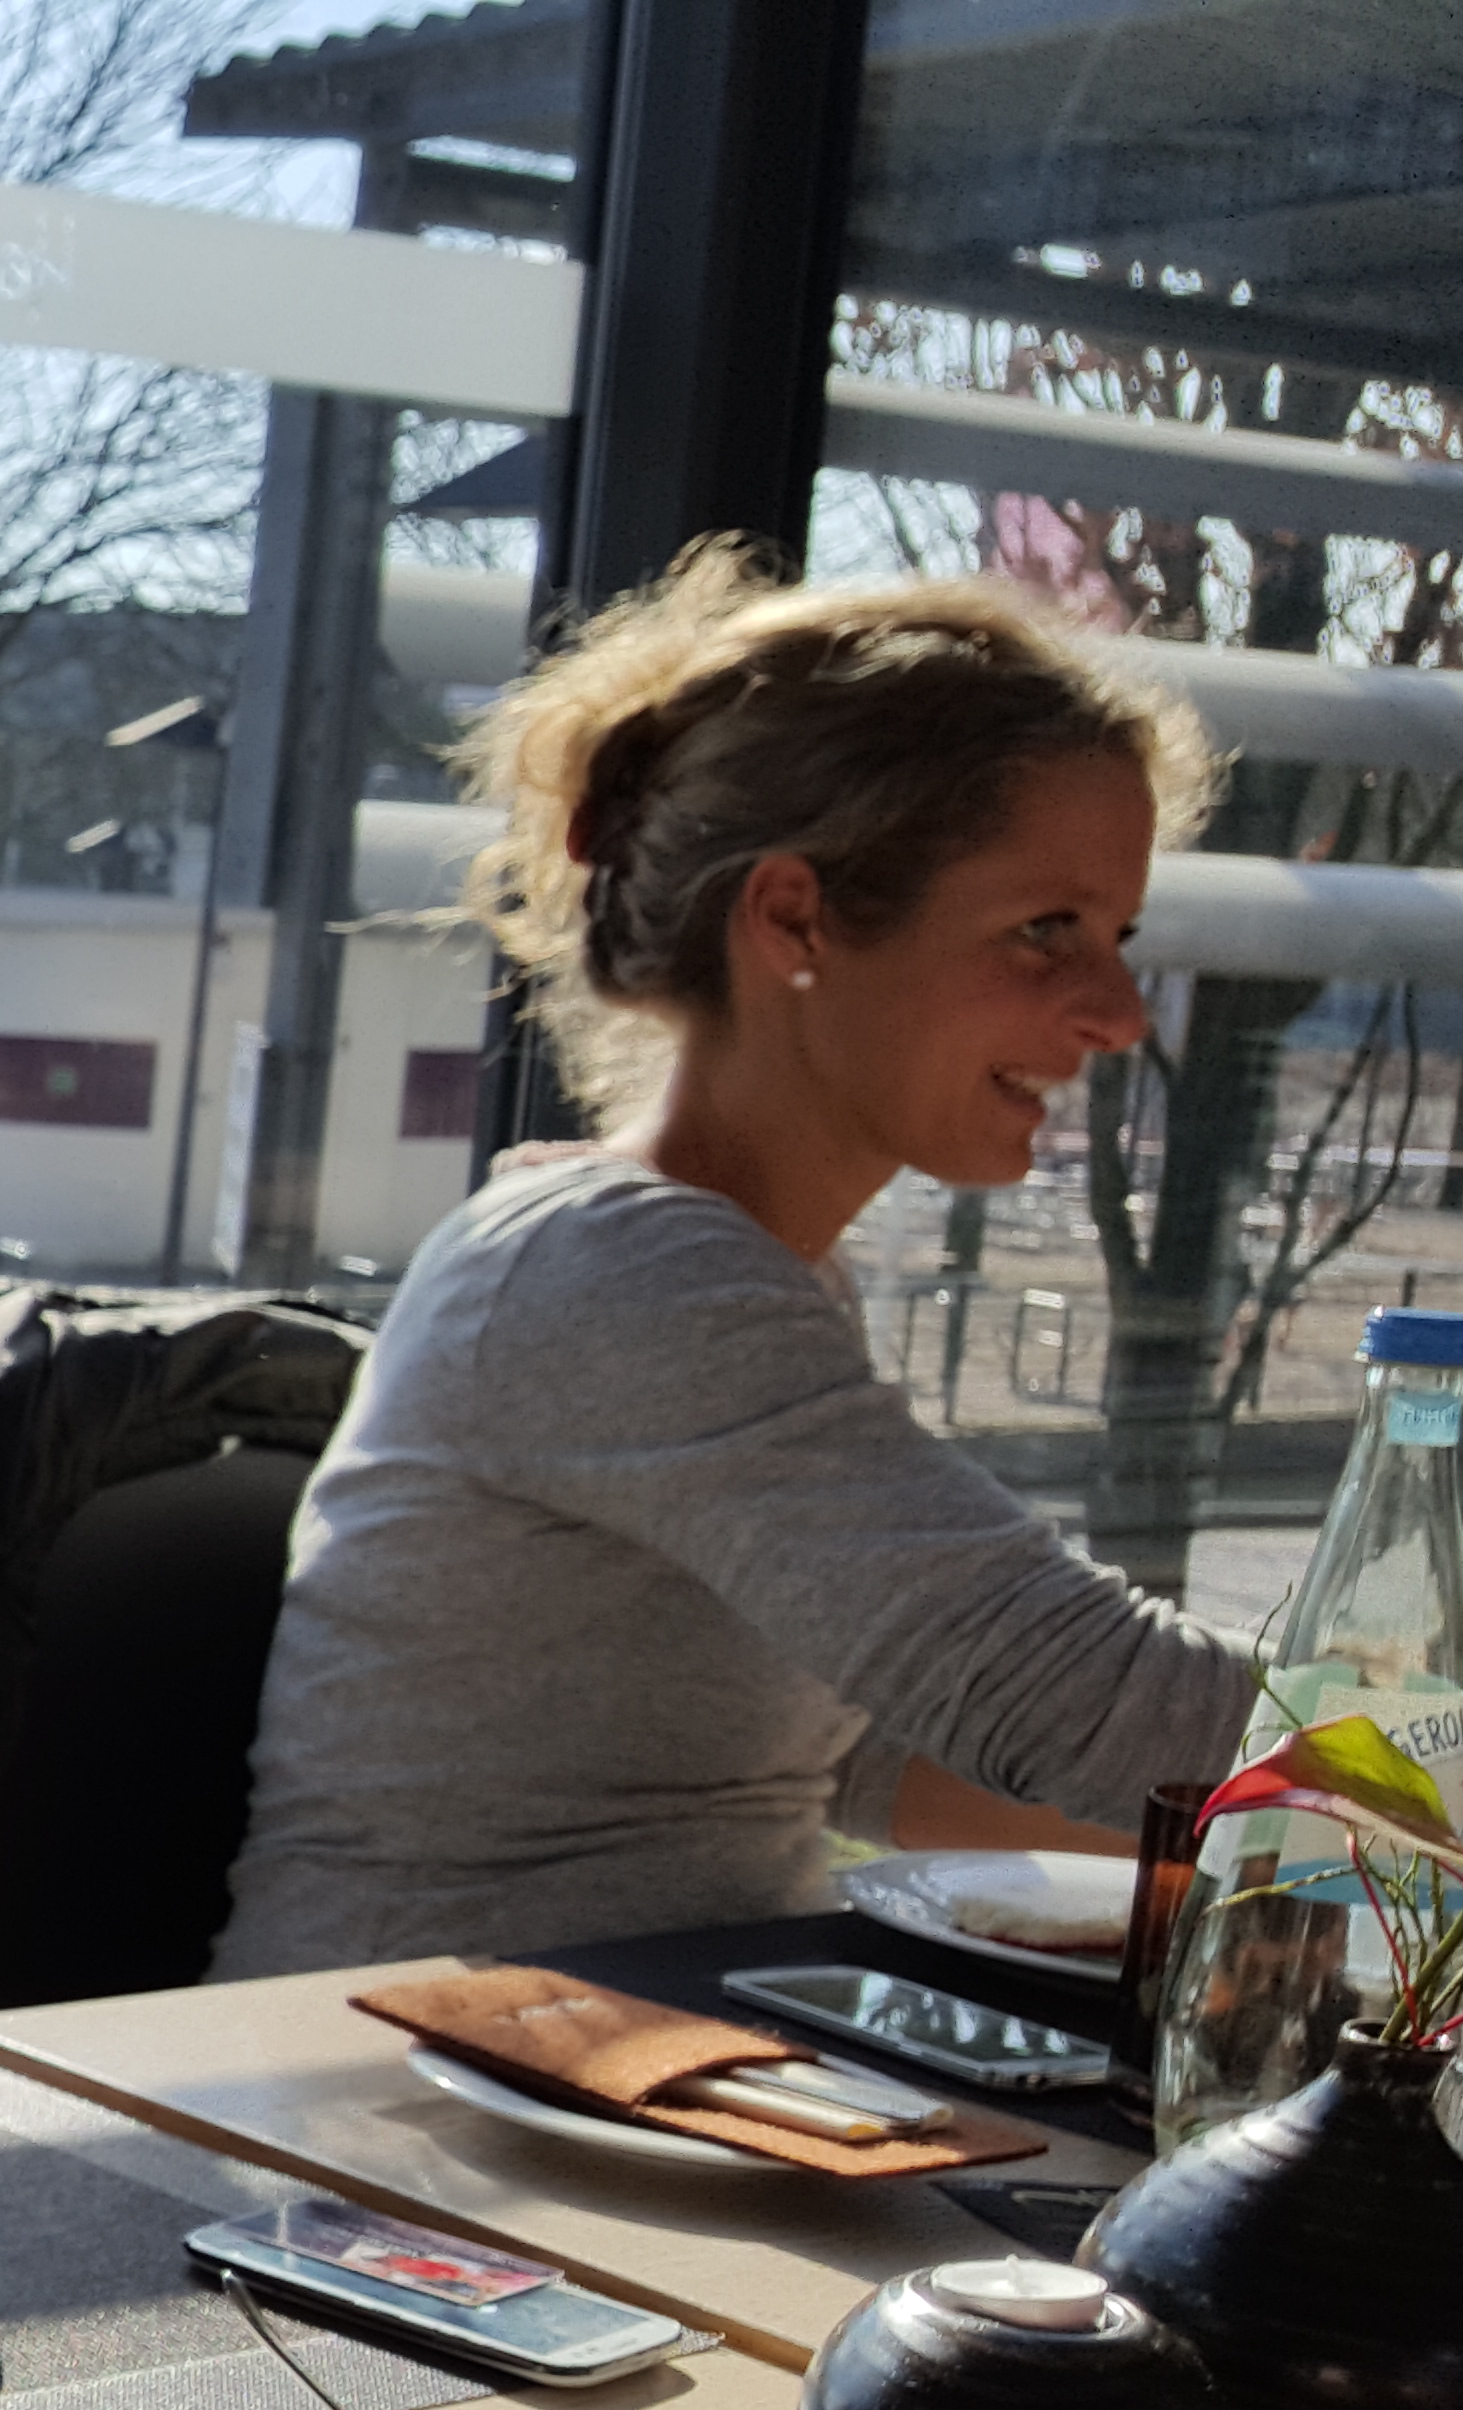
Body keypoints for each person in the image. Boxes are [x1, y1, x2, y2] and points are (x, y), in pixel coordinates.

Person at [213, 549, 1264, 1977]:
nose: (1121, 1013)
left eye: (1117, 936)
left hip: (629, 2040)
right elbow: (1070, 1691)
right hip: (399, 2073)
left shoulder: (745, 1272)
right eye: (1046, 931)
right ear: (791, 921)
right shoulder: (617, 1272)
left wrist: (1339, 1855)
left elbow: (867, 1750)